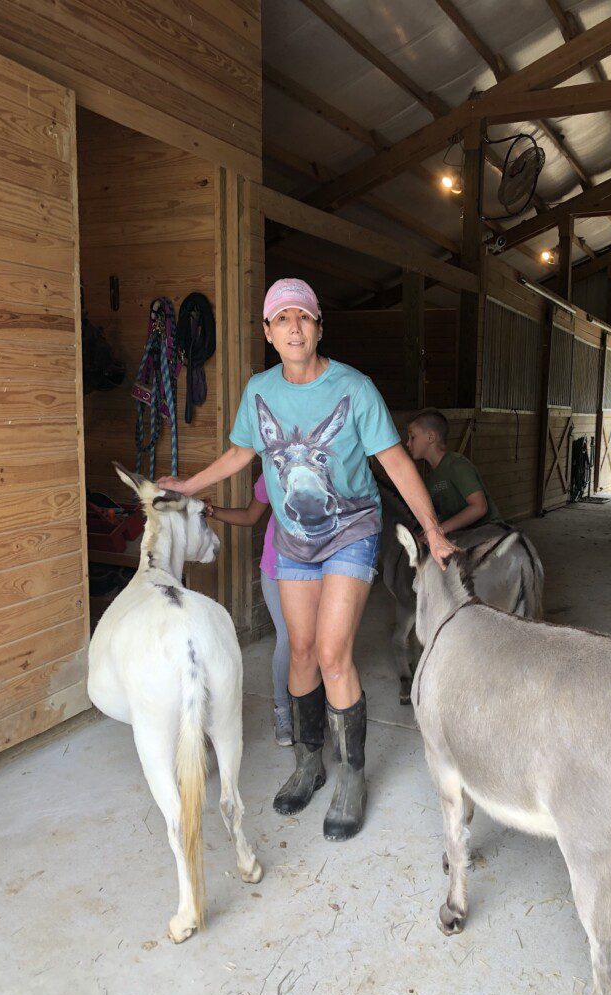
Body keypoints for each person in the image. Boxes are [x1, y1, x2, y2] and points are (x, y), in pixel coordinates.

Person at [158, 278, 455, 842]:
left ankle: (350, 778)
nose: (294, 327)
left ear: (319, 326)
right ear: (268, 332)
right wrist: (191, 484)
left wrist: (434, 532)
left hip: (351, 529)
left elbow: (394, 461)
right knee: (298, 651)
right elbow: (244, 452)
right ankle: (308, 763)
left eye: (304, 317)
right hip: (293, 537)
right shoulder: (259, 390)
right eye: (282, 318)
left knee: (332, 652)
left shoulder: (355, 388)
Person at [205, 474, 292, 746]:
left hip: (318, 568)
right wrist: (213, 511)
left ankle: (314, 706)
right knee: (289, 638)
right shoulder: (272, 469)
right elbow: (251, 515)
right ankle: (283, 710)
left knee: (320, 640)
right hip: (276, 567)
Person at [406, 408, 502, 534]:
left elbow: (479, 507)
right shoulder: (429, 479)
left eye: (412, 437)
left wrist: (438, 531)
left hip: (490, 531)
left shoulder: (456, 464)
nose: (407, 443)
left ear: (430, 437)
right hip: (464, 535)